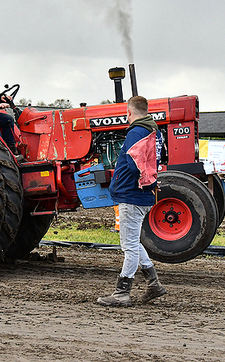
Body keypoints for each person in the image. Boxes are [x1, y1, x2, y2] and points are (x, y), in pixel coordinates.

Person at [97, 95, 167, 307]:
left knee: (128, 246)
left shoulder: (135, 132)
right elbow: (158, 159)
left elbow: (132, 163)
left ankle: (122, 293)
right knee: (134, 242)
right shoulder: (154, 132)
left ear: (129, 112)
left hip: (131, 195)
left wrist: (134, 180)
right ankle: (153, 283)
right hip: (144, 195)